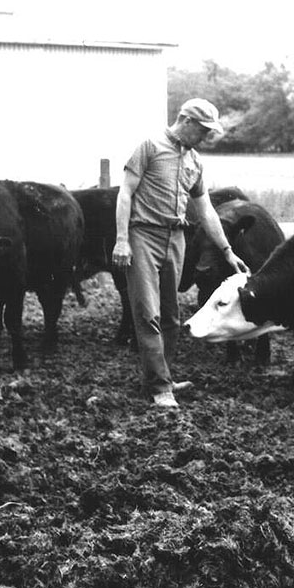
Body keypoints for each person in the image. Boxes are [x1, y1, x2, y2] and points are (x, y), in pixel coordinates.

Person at [112, 98, 249, 408]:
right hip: (142, 234)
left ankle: (163, 377)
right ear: (186, 121)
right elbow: (126, 193)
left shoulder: (195, 162)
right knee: (148, 313)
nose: (205, 138)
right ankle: (160, 388)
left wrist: (227, 251)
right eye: (202, 131)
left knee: (171, 316)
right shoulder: (149, 147)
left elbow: (206, 211)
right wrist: (122, 239)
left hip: (175, 238)